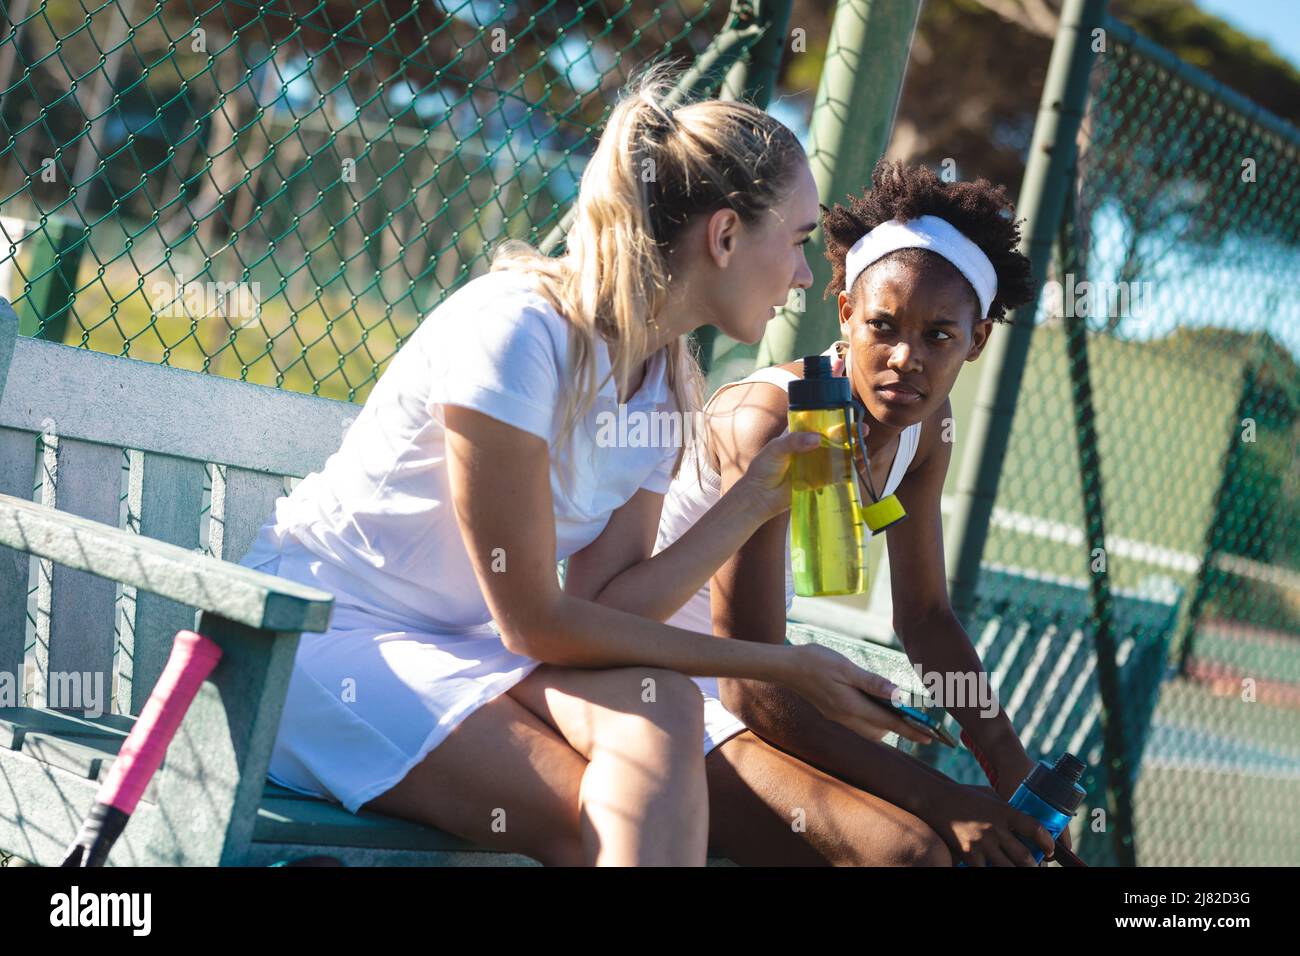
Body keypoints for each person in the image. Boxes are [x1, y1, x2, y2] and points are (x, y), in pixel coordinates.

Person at [236, 65, 931, 867]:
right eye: (801, 242)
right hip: (321, 638)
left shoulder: (665, 381)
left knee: (661, 707)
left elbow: (608, 605)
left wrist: (755, 499)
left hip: (466, 652)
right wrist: (782, 666)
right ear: (727, 235)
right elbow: (536, 621)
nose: (808, 278)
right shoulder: (517, 334)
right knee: (598, 820)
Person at [654, 160, 1066, 866]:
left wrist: (1011, 772)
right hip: (662, 686)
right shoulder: (772, 419)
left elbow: (927, 620)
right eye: (883, 325)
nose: (905, 358)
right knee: (910, 851)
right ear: (844, 312)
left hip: (755, 685)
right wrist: (942, 798)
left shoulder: (925, 434)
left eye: (939, 335)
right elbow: (748, 684)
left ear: (977, 341)